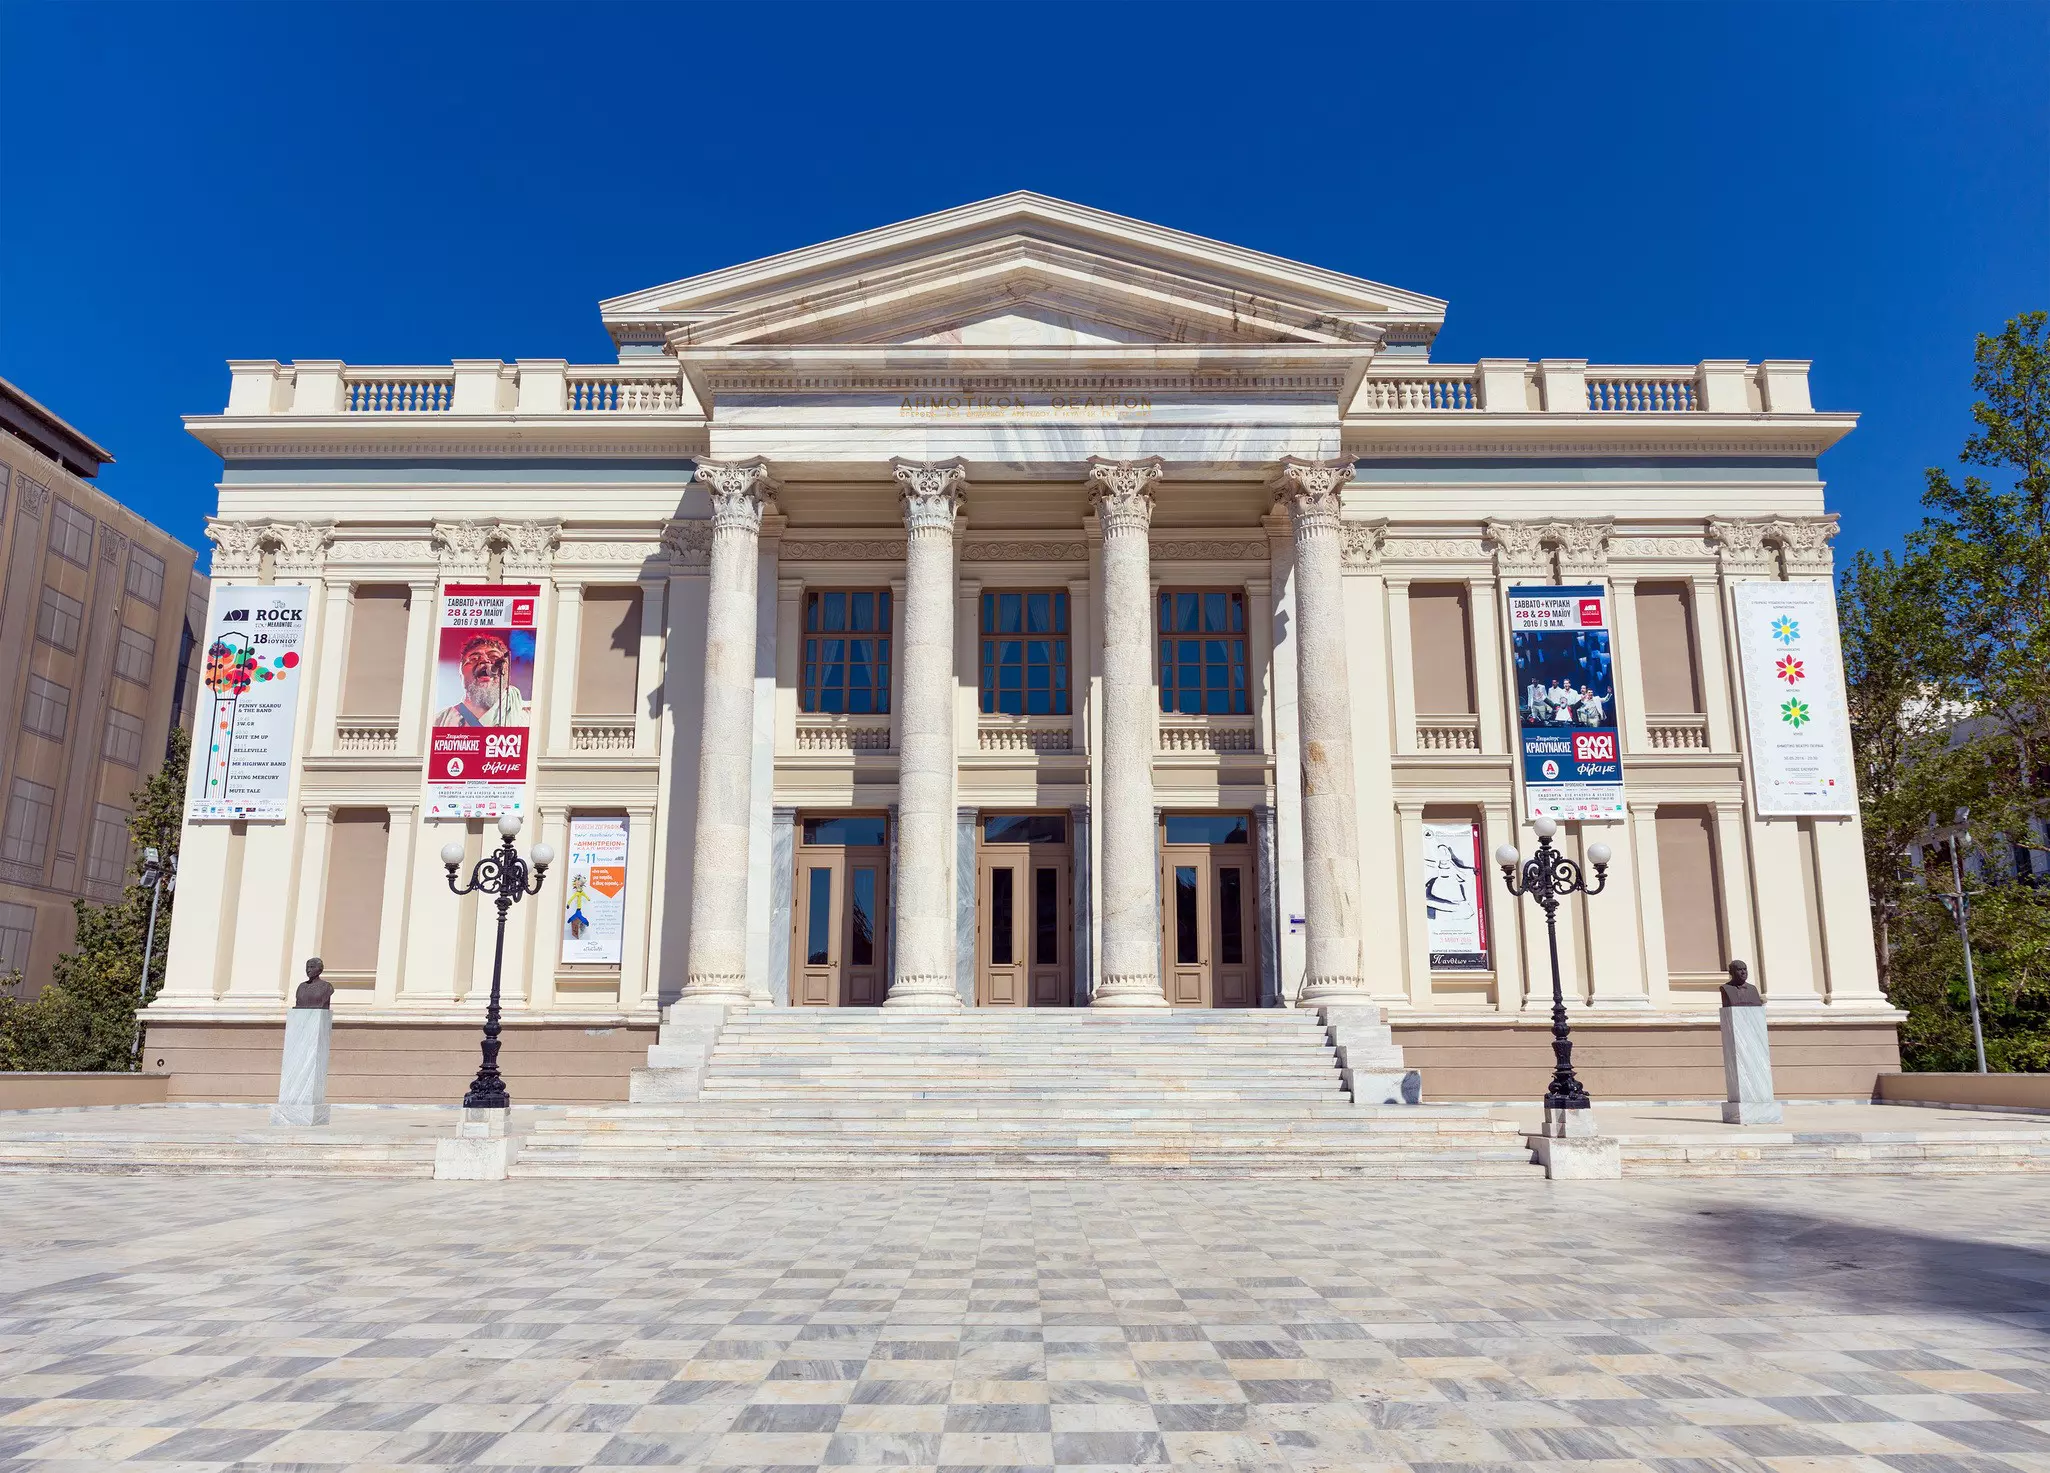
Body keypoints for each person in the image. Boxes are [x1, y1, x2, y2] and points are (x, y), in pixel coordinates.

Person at [433, 633, 529, 727]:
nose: (484, 660)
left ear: (507, 670)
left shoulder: (531, 716)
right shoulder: (438, 722)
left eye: (494, 657)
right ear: (460, 672)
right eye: (474, 658)